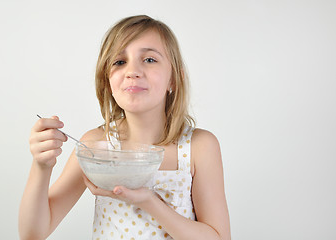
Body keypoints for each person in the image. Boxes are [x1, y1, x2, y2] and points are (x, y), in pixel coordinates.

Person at [19, 15, 231, 240]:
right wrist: (42, 166)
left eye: (149, 59)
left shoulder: (199, 147)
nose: (133, 71)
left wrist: (148, 201)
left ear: (174, 79)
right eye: (119, 62)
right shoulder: (95, 147)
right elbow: (33, 233)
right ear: (107, 82)